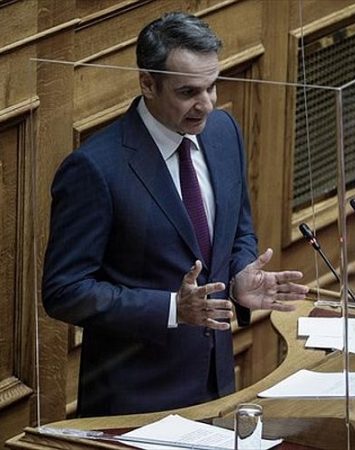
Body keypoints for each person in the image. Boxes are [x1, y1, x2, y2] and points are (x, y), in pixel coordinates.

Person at [42, 11, 309, 417]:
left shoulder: (223, 132)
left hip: (216, 383)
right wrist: (171, 309)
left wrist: (239, 276)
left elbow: (238, 231)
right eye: (188, 92)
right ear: (148, 84)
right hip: (135, 399)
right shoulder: (95, 168)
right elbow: (64, 291)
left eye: (212, 86)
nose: (206, 104)